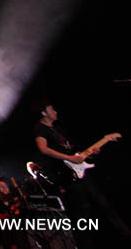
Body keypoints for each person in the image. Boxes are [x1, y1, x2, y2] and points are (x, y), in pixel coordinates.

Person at [33, 104, 131, 247]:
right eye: (51, 109)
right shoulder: (40, 129)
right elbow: (43, 149)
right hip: (66, 175)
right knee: (80, 213)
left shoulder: (59, 129)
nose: (55, 111)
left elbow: (74, 150)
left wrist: (92, 152)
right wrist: (69, 158)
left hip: (80, 172)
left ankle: (125, 235)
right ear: (43, 113)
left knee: (103, 203)